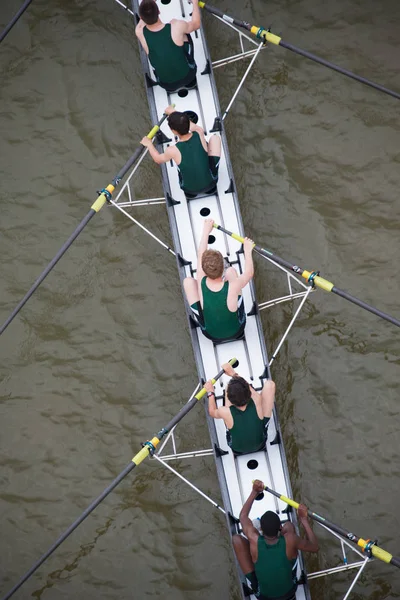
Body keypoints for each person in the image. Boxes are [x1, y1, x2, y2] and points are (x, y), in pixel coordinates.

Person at [233, 480, 319, 600]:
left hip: (263, 597)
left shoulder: (254, 539)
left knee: (237, 539)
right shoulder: (290, 539)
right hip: (289, 593)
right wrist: (304, 520)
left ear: (261, 529)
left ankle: (254, 582)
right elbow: (315, 547)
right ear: (280, 527)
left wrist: (254, 492)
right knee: (289, 525)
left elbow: (243, 516)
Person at [183, 218, 254, 341]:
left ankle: (204, 317)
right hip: (237, 331)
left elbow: (201, 254)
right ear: (222, 269)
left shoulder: (201, 280)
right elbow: (249, 273)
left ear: (203, 270)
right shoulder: (233, 286)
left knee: (188, 282)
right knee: (233, 272)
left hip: (210, 335)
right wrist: (247, 250)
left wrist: (206, 231)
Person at [141, 106, 221, 198]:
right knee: (215, 138)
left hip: (189, 190)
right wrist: (173, 112)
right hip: (211, 183)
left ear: (173, 131)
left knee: (180, 161)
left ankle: (190, 193)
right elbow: (190, 124)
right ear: (189, 123)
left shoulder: (172, 150)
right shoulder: (199, 132)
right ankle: (209, 180)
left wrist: (149, 144)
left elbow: (158, 159)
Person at [205, 362, 275, 454]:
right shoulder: (257, 399)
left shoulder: (224, 411)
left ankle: (227, 392)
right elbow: (246, 386)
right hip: (261, 444)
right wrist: (233, 373)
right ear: (249, 394)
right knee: (270, 385)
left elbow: (212, 412)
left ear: (229, 398)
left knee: (227, 389)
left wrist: (210, 392)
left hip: (236, 449)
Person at [135, 0, 200, 92]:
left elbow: (142, 21)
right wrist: (195, 3)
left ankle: (170, 89)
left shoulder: (139, 32)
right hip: (189, 76)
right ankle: (191, 83)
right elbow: (196, 24)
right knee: (185, 33)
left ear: (141, 17)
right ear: (159, 11)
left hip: (165, 84)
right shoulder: (176, 26)